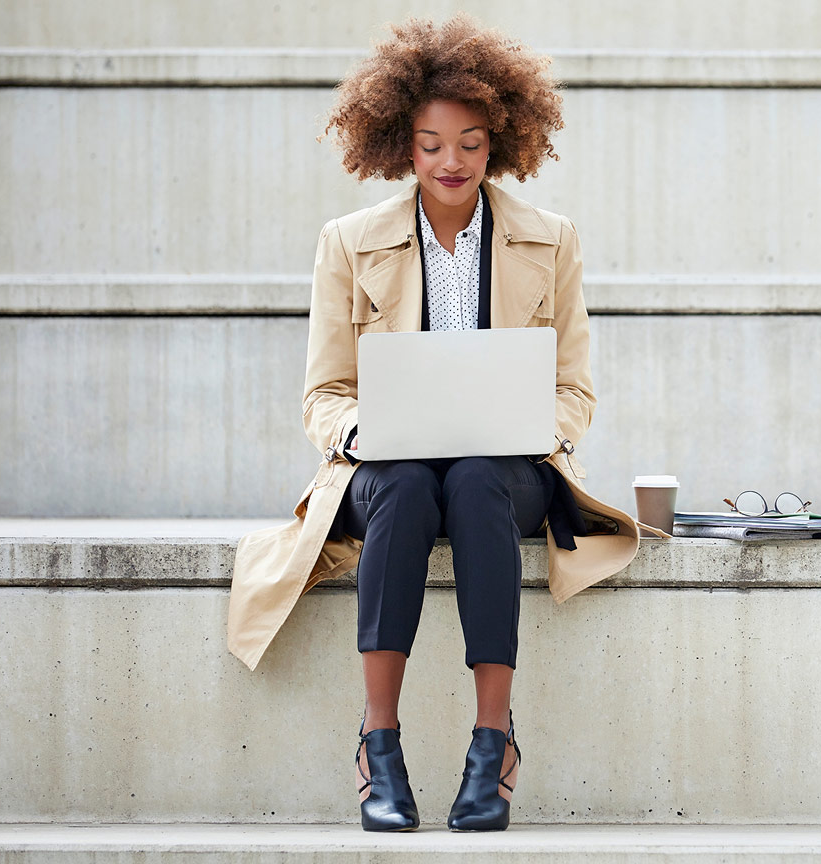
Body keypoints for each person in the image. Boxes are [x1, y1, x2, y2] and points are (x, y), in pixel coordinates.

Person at [225, 14, 643, 833]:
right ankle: (378, 743)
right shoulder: (349, 243)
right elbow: (325, 394)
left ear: (501, 143)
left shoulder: (550, 241)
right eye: (429, 143)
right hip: (387, 471)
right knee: (409, 483)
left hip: (507, 469)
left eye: (471, 142)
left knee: (480, 478)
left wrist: (535, 426)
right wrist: (360, 434)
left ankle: (494, 743)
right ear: (400, 146)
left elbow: (574, 391)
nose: (451, 161)